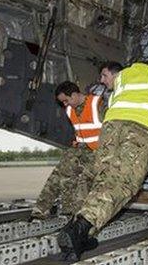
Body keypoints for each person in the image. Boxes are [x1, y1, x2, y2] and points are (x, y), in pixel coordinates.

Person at [57, 62, 148, 261]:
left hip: (111, 130)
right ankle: (80, 226)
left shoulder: (123, 79)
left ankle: (81, 236)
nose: (102, 80)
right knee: (123, 185)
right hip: (137, 130)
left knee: (103, 181)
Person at [31, 81, 103, 220]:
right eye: (62, 102)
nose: (65, 104)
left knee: (83, 178)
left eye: (66, 100)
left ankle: (75, 213)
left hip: (99, 150)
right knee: (60, 171)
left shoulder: (98, 104)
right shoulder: (70, 110)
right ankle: (41, 208)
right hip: (81, 148)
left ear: (75, 94)